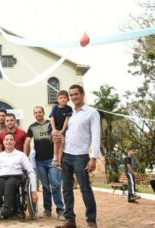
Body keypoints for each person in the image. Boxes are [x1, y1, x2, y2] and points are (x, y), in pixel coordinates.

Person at [56, 84, 101, 228]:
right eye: (71, 95)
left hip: (81, 156)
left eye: (76, 94)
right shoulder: (70, 114)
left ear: (82, 94)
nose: (74, 97)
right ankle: (70, 220)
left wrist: (93, 158)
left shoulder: (92, 112)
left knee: (85, 189)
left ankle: (91, 221)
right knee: (66, 189)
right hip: (66, 156)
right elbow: (66, 134)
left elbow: (96, 136)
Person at [24, 106, 65, 220]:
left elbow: (59, 139)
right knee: (45, 187)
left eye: (39, 112)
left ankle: (60, 210)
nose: (38, 114)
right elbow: (27, 142)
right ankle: (47, 210)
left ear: (43, 113)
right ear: (34, 114)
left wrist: (58, 158)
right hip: (40, 161)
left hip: (52, 160)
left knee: (56, 185)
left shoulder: (50, 125)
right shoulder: (32, 127)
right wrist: (24, 154)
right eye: (35, 112)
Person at [0, 132, 38, 220]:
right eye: (6, 140)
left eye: (11, 140)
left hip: (16, 177)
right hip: (2, 177)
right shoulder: (0, 156)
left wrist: (33, 190)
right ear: (3, 142)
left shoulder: (21, 155)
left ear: (14, 142)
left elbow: (30, 171)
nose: (9, 141)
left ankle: (7, 211)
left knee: (9, 184)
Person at [50, 90, 73, 169]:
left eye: (64, 98)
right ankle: (55, 157)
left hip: (63, 130)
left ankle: (59, 162)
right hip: (54, 129)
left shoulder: (69, 109)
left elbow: (66, 120)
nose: (63, 99)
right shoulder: (54, 108)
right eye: (60, 98)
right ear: (57, 100)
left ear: (67, 99)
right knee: (56, 140)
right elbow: (52, 119)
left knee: (62, 143)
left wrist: (62, 131)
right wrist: (53, 129)